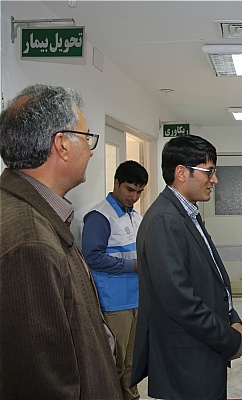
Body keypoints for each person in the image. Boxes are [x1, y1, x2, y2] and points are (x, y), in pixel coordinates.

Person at [0, 84, 121, 398]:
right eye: (86, 138)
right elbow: (41, 381)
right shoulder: (30, 241)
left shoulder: (34, 214)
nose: (91, 151)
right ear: (62, 145)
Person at [131, 134, 242, 399]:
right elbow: (180, 302)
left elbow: (210, 279)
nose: (214, 180)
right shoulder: (164, 220)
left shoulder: (185, 213)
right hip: (187, 361)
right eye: (209, 172)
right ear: (182, 173)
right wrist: (230, 340)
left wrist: (233, 319)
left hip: (202, 350)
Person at [81, 160, 148, 400]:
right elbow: (93, 257)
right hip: (114, 303)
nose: (134, 197)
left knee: (132, 363)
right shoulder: (99, 217)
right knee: (114, 363)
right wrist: (135, 266)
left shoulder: (136, 217)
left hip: (137, 298)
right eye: (130, 189)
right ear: (116, 183)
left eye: (139, 192)